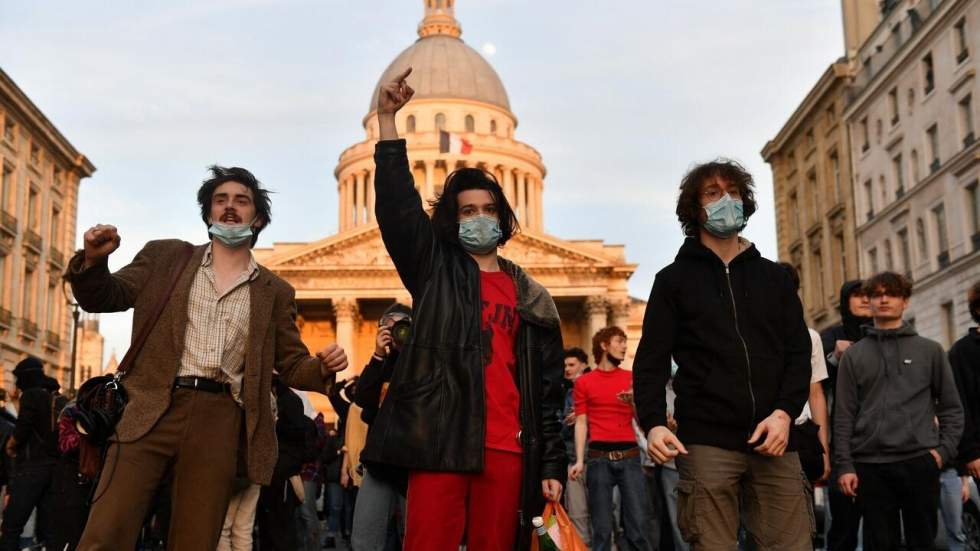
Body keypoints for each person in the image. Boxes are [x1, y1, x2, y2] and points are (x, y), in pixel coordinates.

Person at [65, 166, 348, 549]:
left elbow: (293, 363)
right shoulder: (166, 257)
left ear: (258, 217)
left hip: (220, 418)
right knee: (105, 532)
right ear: (208, 213)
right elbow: (106, 297)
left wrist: (324, 368)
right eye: (221, 200)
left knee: (196, 540)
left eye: (241, 201)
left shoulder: (274, 290)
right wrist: (94, 262)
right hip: (150, 408)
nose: (230, 207)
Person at [362, 67, 566, 551]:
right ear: (451, 220)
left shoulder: (532, 295)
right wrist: (389, 123)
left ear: (505, 215)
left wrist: (552, 465)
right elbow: (396, 209)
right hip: (439, 443)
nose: (479, 218)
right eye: (467, 210)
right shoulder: (434, 271)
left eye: (488, 209)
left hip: (506, 448)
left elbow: (547, 393)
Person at [634, 159, 814, 549]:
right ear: (694, 209)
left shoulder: (775, 278)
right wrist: (653, 423)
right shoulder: (672, 281)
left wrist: (784, 413)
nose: (726, 200)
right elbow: (650, 360)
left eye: (733, 192)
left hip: (776, 439)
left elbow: (799, 354)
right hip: (706, 443)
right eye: (713, 193)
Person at [835, 272, 964, 550]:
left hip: (920, 461)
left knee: (923, 543)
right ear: (868, 302)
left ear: (904, 301)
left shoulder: (930, 351)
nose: (883, 300)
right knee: (879, 545)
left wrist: (941, 454)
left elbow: (952, 408)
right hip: (870, 466)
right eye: (877, 295)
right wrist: (845, 465)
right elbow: (843, 415)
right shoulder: (854, 356)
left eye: (891, 294)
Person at [569, 327, 652, 551]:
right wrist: (578, 460)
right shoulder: (584, 382)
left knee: (638, 528)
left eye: (625, 342)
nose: (625, 346)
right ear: (604, 346)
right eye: (619, 341)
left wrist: (633, 402)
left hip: (630, 457)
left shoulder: (631, 378)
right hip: (598, 460)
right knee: (602, 530)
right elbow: (581, 422)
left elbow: (643, 424)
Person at [351, 303, 412, 551]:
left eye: (404, 325)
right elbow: (363, 399)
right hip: (379, 461)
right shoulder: (382, 364)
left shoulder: (422, 361)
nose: (398, 331)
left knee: (414, 537)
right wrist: (378, 355)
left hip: (414, 463)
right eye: (390, 324)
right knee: (365, 539)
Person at [820, 280, 871, 551]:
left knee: (883, 528)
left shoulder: (884, 333)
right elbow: (815, 384)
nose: (864, 299)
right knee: (843, 529)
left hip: (883, 445)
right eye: (857, 295)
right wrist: (835, 357)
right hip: (845, 448)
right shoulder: (830, 336)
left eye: (868, 295)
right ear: (845, 301)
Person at [0, 358, 63, 550]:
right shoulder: (54, 398)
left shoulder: (31, 395)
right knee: (48, 530)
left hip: (32, 467)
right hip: (53, 469)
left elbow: (23, 428)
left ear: (26, 377)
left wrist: (11, 445)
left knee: (11, 525)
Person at [779, 262, 831, 484]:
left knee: (804, 511)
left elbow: (816, 394)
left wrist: (824, 451)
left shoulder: (810, 337)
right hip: (764, 436)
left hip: (801, 433)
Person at [257, 378, 307, 551]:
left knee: (279, 526)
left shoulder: (288, 401)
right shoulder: (288, 399)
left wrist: (275, 424)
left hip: (281, 472)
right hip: (278, 471)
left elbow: (297, 433)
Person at [560, 347, 591, 545]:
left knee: (605, 513)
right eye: (565, 365)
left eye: (571, 365)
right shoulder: (566, 393)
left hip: (596, 459)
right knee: (577, 514)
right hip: (573, 460)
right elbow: (561, 432)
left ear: (584, 365)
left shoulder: (593, 388)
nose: (567, 369)